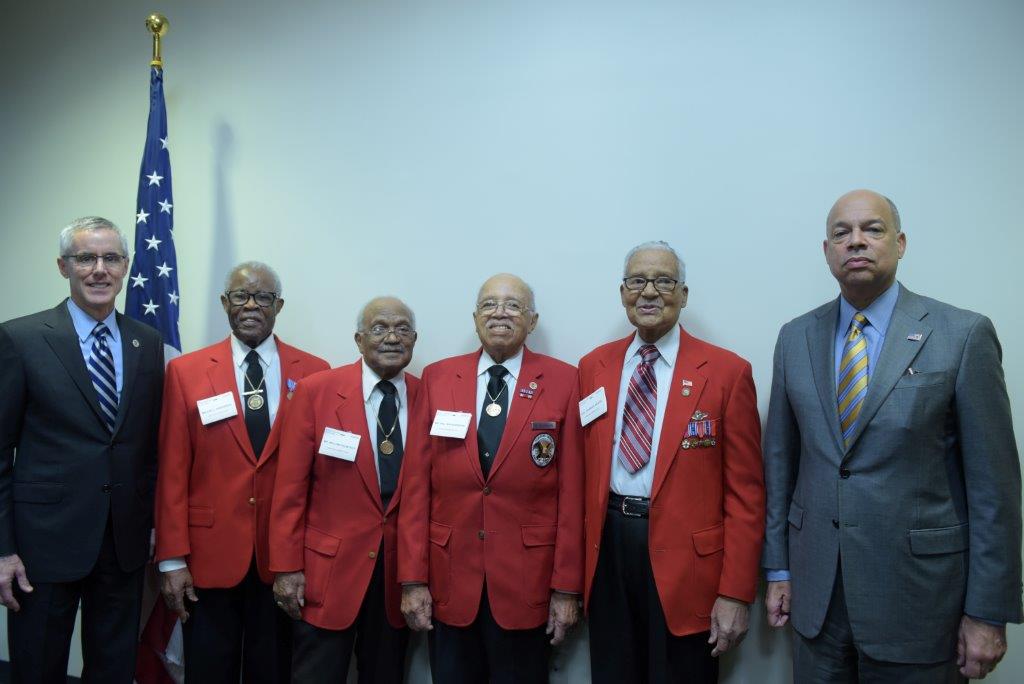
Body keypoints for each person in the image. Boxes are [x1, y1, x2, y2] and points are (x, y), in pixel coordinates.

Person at [762, 189, 1022, 681]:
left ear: (899, 243)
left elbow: (996, 490)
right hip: (818, 600)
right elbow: (781, 465)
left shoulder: (962, 335)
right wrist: (778, 569)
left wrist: (988, 612)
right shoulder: (795, 338)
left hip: (921, 604)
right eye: (842, 233)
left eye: (872, 230)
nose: (855, 242)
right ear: (826, 251)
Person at [578, 241, 764, 683]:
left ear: (683, 294)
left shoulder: (726, 372)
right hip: (607, 553)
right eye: (638, 281)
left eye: (664, 281)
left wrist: (736, 593)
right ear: (622, 292)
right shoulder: (592, 367)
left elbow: (748, 496)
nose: (649, 292)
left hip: (689, 570)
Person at [0, 216, 164, 683]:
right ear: (63, 266)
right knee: (38, 667)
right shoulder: (21, 338)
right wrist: (3, 550)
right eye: (85, 258)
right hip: (43, 545)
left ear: (126, 267)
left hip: (123, 541)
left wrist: (150, 521)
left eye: (110, 258)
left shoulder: (146, 342)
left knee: (113, 668)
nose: (99, 269)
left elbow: (146, 446)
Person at [398, 273, 583, 684]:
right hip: (449, 580)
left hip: (526, 582)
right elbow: (415, 488)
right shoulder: (438, 377)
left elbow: (573, 496)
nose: (500, 313)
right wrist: (412, 580)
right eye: (489, 305)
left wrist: (566, 589)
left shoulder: (566, 380)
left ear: (532, 321)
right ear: (475, 318)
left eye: (513, 305)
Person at [154, 261, 329, 682]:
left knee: (272, 669)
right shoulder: (186, 372)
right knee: (210, 668)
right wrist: (171, 561)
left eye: (263, 297)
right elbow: (172, 472)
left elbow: (323, 479)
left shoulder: (315, 373)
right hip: (208, 557)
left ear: (279, 305)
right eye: (240, 296)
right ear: (224, 303)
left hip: (284, 557)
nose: (251, 305)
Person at [269, 296, 420, 683]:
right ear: (358, 339)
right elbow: (290, 489)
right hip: (326, 573)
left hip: (395, 578)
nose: (391, 337)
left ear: (414, 340)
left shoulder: (428, 397)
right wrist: (287, 568)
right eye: (379, 328)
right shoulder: (316, 392)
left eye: (402, 329)